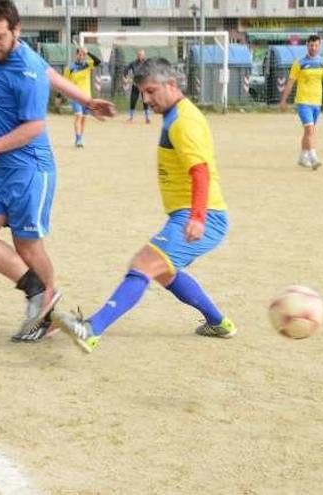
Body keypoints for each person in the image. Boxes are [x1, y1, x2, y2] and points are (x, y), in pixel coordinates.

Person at [52, 57, 235, 354]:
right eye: (143, 93)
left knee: (145, 264)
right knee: (164, 272)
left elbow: (199, 170)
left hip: (204, 215)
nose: (147, 100)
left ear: (172, 85)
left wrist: (198, 216)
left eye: (151, 91)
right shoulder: (177, 114)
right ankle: (218, 323)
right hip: (190, 212)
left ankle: (92, 329)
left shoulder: (183, 122)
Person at [0, 0, 116, 343]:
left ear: (15, 31)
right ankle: (41, 296)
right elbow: (53, 74)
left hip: (28, 171)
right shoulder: (22, 57)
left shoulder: (25, 70)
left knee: (27, 247)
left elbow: (34, 126)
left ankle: (44, 310)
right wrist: (87, 101)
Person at [278, 35, 323, 170]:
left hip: (317, 102)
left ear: (319, 46)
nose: (313, 48)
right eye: (311, 45)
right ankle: (313, 157)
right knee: (310, 130)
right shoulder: (299, 63)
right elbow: (290, 83)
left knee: (309, 132)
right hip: (303, 101)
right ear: (307, 45)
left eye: (316, 45)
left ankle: (302, 157)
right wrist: (283, 100)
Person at [64, 46, 102, 148]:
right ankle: (78, 139)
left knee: (84, 119)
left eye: (83, 54)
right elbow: (64, 83)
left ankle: (80, 137)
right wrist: (60, 95)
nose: (81, 56)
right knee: (79, 116)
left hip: (87, 97)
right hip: (75, 96)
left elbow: (98, 61)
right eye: (79, 54)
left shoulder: (87, 64)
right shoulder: (69, 68)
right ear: (76, 55)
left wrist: (88, 51)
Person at [123, 49, 151, 124]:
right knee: (133, 100)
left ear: (144, 55)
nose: (140, 56)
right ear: (137, 55)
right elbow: (126, 69)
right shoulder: (133, 63)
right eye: (139, 54)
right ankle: (131, 118)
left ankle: (147, 118)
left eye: (141, 54)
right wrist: (125, 78)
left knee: (145, 101)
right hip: (136, 85)